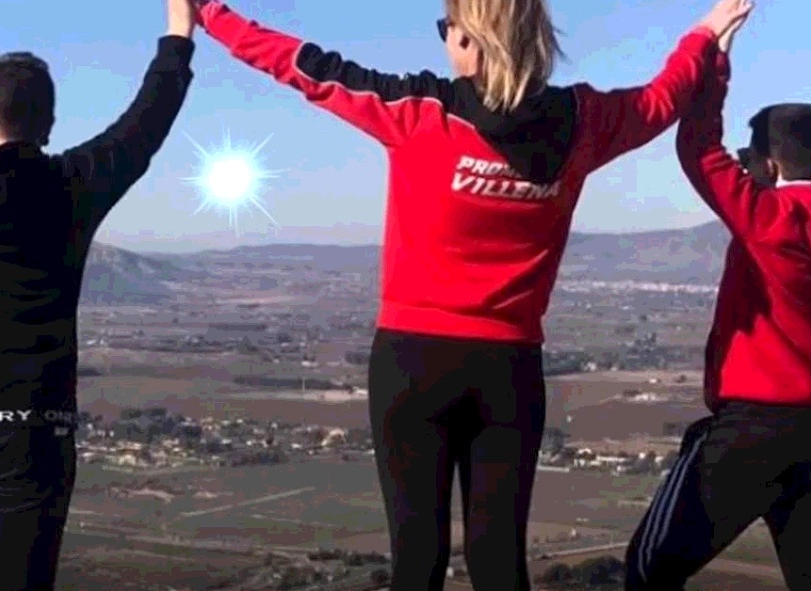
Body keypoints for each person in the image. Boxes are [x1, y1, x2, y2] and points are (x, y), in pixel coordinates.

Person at [189, 0, 750, 588]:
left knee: (417, 560)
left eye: (447, 27)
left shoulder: (417, 110)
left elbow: (302, 65)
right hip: (509, 371)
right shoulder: (585, 121)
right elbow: (663, 98)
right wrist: (706, 33)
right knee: (499, 562)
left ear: (470, 42)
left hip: (412, 362)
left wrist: (210, 13)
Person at [0, 1, 197, 589]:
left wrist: (179, 38)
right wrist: (179, 34)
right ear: (49, 126)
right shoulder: (75, 185)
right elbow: (146, 122)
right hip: (35, 431)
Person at [623, 20, 811, 591]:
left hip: (751, 428)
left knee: (648, 570)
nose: (742, 164)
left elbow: (697, 147)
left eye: (748, 157)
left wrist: (715, 62)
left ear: (771, 168)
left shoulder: (768, 216)